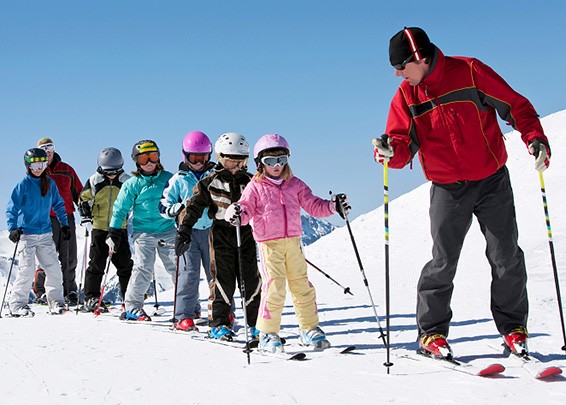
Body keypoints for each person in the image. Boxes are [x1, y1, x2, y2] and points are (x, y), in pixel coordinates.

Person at [373, 27, 551, 358]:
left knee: (506, 255)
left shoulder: (469, 71)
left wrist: (535, 138)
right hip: (447, 189)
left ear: (420, 58)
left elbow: (516, 106)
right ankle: (431, 333)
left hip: (492, 180)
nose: (397, 74)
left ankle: (514, 328)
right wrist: (388, 152)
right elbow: (400, 145)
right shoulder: (406, 96)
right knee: (443, 261)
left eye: (400, 66)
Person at [225, 134, 351, 352]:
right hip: (269, 245)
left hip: (293, 242)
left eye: (281, 160)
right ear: (259, 163)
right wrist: (235, 213)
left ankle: (309, 328)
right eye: (270, 161)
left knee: (302, 286)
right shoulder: (255, 187)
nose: (277, 166)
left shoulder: (295, 184)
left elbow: (313, 205)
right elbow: (245, 210)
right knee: (275, 287)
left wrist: (333, 206)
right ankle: (267, 332)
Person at [175, 132, 261, 341]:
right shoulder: (210, 182)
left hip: (245, 233)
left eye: (241, 162)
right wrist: (185, 230)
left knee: (251, 280)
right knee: (222, 280)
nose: (236, 167)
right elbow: (194, 207)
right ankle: (218, 323)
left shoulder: (251, 181)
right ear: (221, 158)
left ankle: (256, 324)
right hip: (221, 234)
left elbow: (265, 205)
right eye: (231, 162)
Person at [107, 140, 178, 322]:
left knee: (178, 267)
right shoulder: (133, 184)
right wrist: (114, 232)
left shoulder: (169, 179)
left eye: (152, 157)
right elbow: (120, 209)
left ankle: (187, 306)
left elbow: (181, 200)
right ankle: (133, 307)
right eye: (143, 159)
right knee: (143, 267)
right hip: (144, 232)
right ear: (136, 162)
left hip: (167, 230)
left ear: (158, 158)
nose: (149, 162)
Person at [159, 131, 216, 331]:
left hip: (212, 231)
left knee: (216, 273)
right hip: (188, 232)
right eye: (194, 158)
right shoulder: (178, 179)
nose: (199, 162)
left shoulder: (215, 176)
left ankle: (222, 313)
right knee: (188, 274)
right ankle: (184, 315)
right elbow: (163, 205)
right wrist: (175, 209)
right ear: (185, 156)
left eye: (203, 158)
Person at [6, 148, 69, 316]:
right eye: (34, 165)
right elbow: (12, 208)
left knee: (54, 269)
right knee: (27, 270)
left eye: (42, 164)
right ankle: (17, 304)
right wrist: (13, 228)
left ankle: (56, 302)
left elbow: (58, 204)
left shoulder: (50, 183)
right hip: (27, 234)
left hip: (45, 233)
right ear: (28, 166)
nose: (38, 168)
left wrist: (64, 224)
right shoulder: (23, 185)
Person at [78, 147, 133, 312]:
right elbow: (83, 199)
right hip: (99, 228)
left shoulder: (126, 181)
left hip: (119, 229)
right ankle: (92, 297)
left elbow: (134, 199)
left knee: (125, 264)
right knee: (96, 264)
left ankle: (129, 298)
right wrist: (86, 217)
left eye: (114, 172)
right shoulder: (94, 180)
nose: (111, 175)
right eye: (107, 172)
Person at [33, 137, 83, 305]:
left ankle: (69, 291)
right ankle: (41, 291)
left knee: (69, 255)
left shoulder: (66, 169)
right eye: (44, 149)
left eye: (50, 147)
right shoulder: (37, 171)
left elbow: (78, 192)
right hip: (46, 218)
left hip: (66, 217)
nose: (47, 152)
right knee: (48, 256)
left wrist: (84, 206)